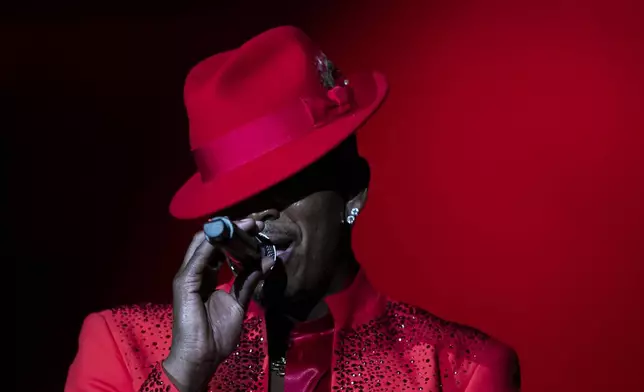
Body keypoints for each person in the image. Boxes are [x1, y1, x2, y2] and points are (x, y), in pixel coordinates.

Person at [65, 26, 520, 392]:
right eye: (233, 193)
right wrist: (185, 371)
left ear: (352, 193)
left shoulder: (459, 369)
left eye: (284, 184)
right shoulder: (122, 345)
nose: (256, 215)